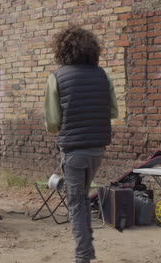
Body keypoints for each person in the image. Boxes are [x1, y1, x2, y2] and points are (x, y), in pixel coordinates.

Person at [44, 26, 118, 263]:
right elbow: (113, 111)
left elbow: (53, 123)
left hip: (74, 150)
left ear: (62, 50)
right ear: (91, 50)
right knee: (82, 198)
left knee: (76, 202)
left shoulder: (57, 77)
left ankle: (82, 256)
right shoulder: (103, 75)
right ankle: (86, 251)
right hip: (97, 149)